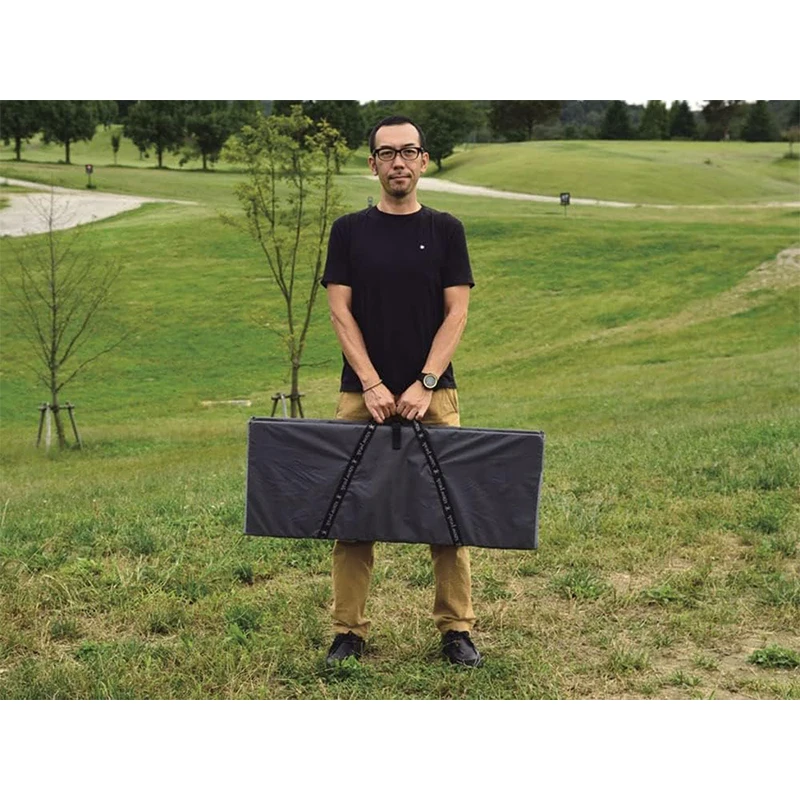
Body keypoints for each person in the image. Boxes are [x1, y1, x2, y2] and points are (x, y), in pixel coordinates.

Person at [321, 115, 481, 667]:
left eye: (408, 152)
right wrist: (371, 382)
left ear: (423, 161)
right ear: (372, 164)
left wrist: (424, 383)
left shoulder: (446, 230)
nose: (398, 162)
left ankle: (456, 630)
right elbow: (339, 312)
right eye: (386, 153)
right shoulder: (348, 231)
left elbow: (456, 313)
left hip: (434, 398)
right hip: (358, 397)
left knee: (447, 516)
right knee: (354, 518)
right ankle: (349, 632)